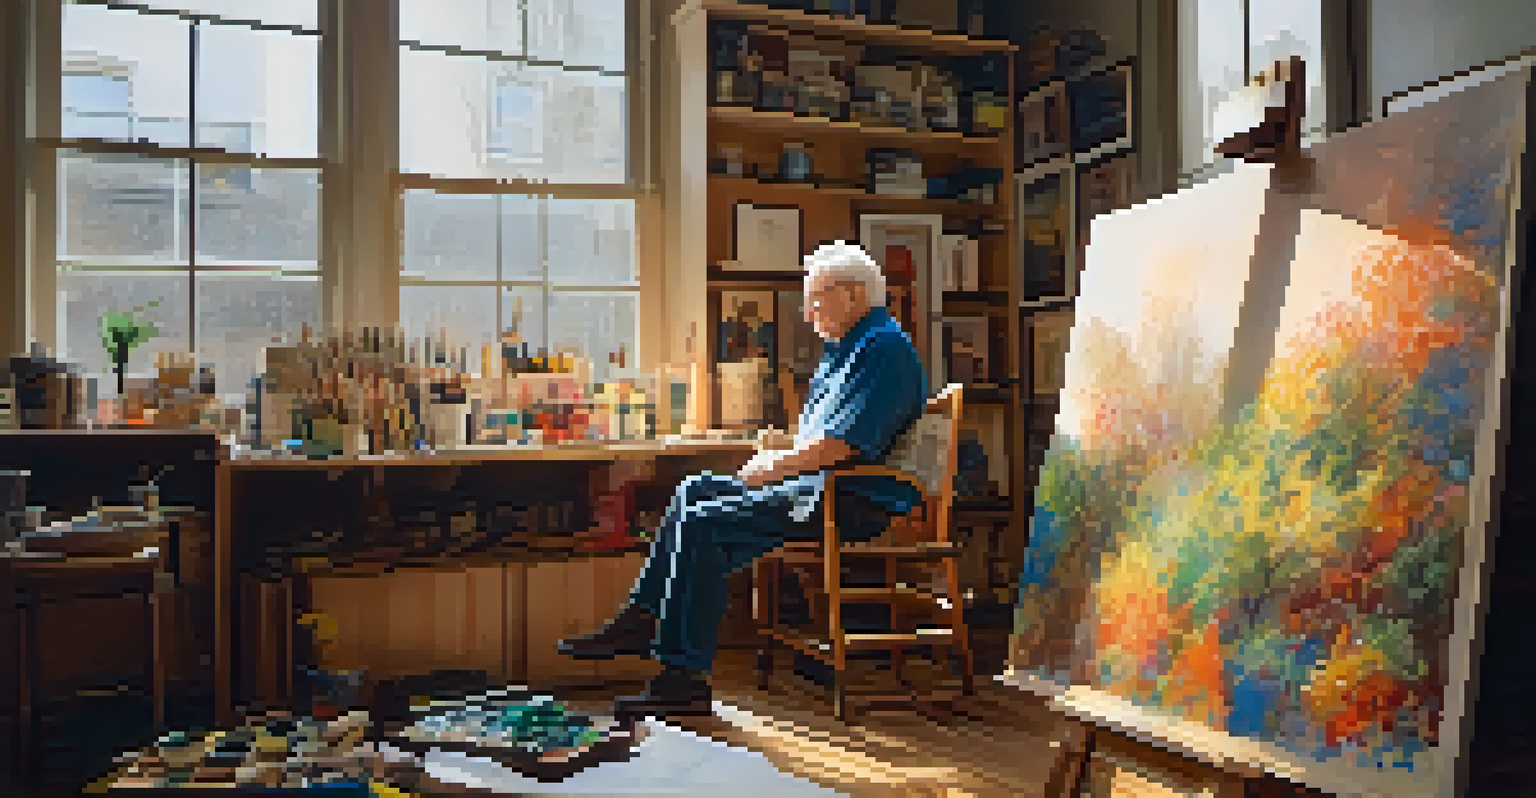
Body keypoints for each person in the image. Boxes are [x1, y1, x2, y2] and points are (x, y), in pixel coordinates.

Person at [558, 241, 930, 719]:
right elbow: (822, 438)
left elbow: (845, 446)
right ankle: (643, 616)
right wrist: (782, 450)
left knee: (704, 524)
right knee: (694, 490)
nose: (808, 310)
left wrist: (777, 466)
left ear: (856, 295)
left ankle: (681, 679)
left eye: (818, 298)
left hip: (848, 499)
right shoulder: (846, 348)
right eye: (808, 298)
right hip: (816, 488)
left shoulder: (881, 347)